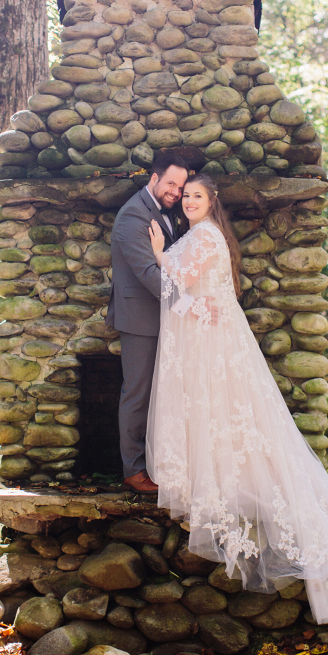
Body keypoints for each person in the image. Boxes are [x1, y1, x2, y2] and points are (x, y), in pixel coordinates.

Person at [145, 173, 328, 624]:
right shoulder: (204, 234)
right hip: (210, 338)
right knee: (221, 412)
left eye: (198, 196)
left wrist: (160, 254)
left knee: (224, 410)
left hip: (211, 344)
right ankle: (220, 475)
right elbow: (194, 293)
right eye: (187, 197)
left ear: (212, 201)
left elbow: (183, 277)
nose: (189, 202)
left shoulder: (202, 236)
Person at [106, 152, 189, 493]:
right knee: (137, 394)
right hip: (140, 318)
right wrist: (189, 306)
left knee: (164, 395)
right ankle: (133, 470)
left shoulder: (166, 213)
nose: (176, 191)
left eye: (182, 186)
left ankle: (161, 463)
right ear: (153, 179)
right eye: (171, 183)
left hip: (164, 317)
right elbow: (147, 274)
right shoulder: (132, 216)